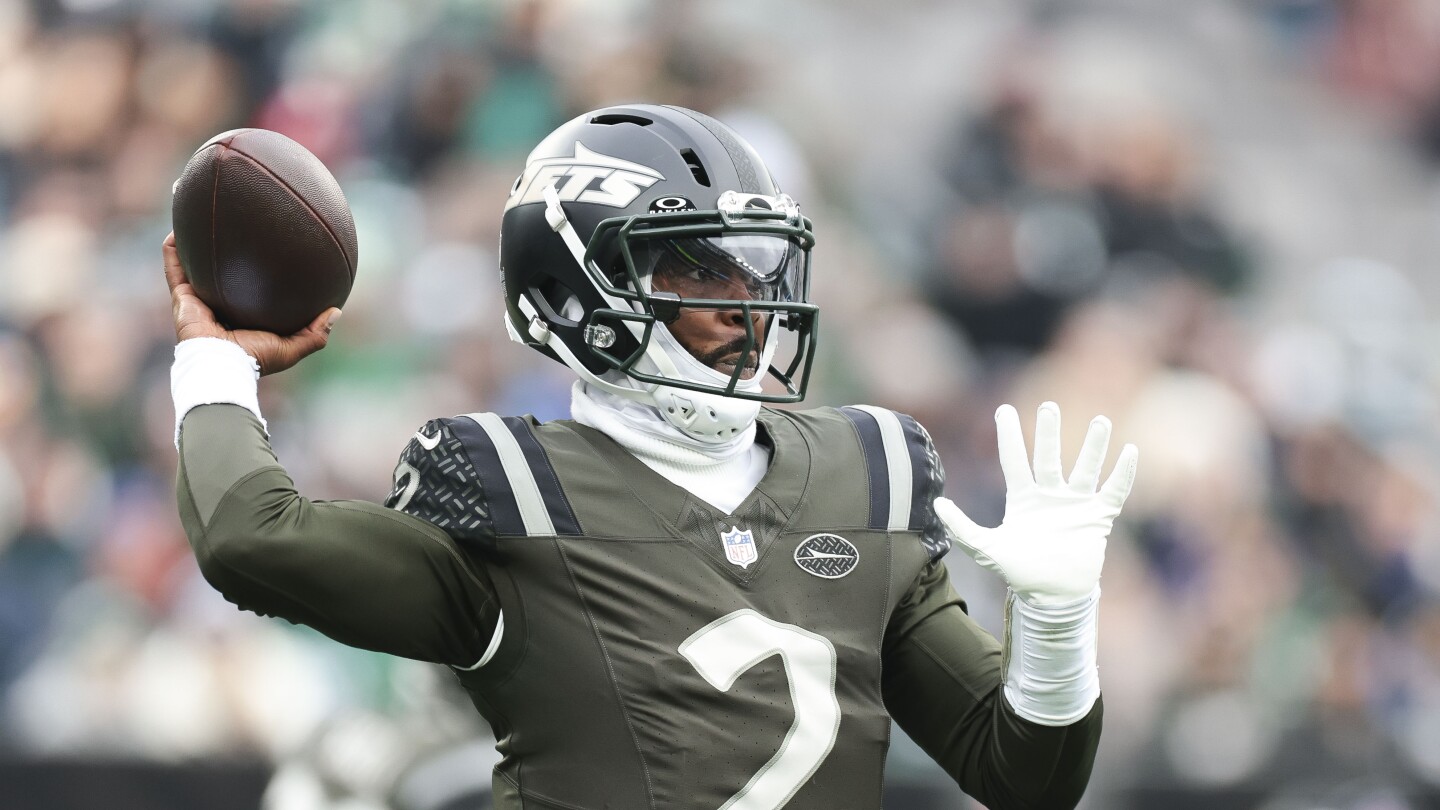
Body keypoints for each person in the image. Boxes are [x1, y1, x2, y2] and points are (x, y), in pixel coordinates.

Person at [166, 104, 1138, 810]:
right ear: (574, 291)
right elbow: (249, 540)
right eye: (698, 268)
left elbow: (1024, 779)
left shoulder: (865, 471)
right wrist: (216, 364)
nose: (748, 306)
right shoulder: (509, 494)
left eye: (757, 267)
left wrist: (1055, 624)